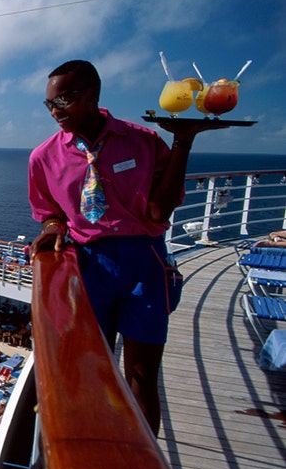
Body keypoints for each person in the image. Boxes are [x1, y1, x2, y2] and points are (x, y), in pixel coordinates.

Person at [28, 60, 217, 435]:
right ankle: (90, 448)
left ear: (93, 94)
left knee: (143, 377)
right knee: (90, 369)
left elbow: (161, 208)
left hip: (143, 262)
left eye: (65, 99)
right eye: (50, 104)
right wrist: (52, 227)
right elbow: (48, 211)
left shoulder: (144, 142)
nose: (56, 111)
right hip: (88, 264)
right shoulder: (43, 158)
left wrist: (183, 142)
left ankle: (144, 463)